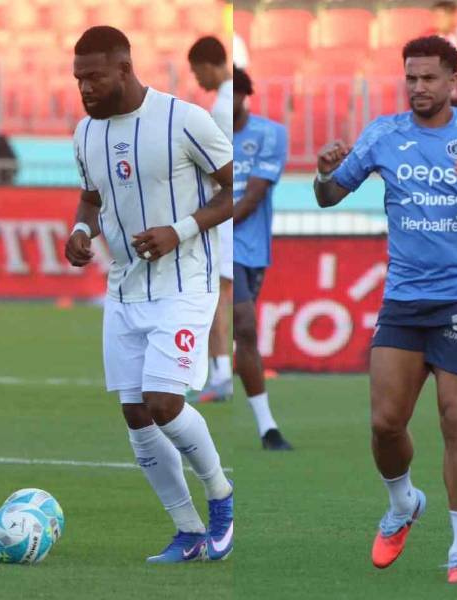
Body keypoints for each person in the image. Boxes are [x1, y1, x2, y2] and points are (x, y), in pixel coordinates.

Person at [314, 36, 457, 584]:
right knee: (386, 425)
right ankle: (404, 501)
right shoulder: (384, 134)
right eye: (410, 77)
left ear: (454, 82)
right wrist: (322, 173)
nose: (418, 88)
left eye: (429, 78)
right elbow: (330, 195)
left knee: (456, 416)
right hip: (404, 297)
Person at [63, 26, 234, 563]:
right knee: (136, 415)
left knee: (164, 402)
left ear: (124, 68)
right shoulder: (85, 133)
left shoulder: (184, 120)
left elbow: (235, 189)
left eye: (94, 77)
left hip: (185, 282)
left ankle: (221, 498)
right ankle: (186, 530)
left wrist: (179, 230)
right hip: (125, 290)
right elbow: (90, 198)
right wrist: (82, 232)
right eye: (77, 79)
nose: (85, 88)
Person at [232, 67, 293, 451]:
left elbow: (253, 198)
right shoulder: (205, 134)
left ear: (245, 95)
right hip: (214, 245)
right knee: (244, 325)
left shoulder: (271, 134)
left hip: (249, 246)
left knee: (243, 331)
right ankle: (267, 427)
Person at [186, 36, 234, 403]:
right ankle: (223, 372)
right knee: (227, 294)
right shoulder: (238, 98)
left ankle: (221, 374)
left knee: (217, 295)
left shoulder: (221, 108)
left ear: (208, 65)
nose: (196, 78)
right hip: (242, 214)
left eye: (195, 70)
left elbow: (218, 169)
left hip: (227, 214)